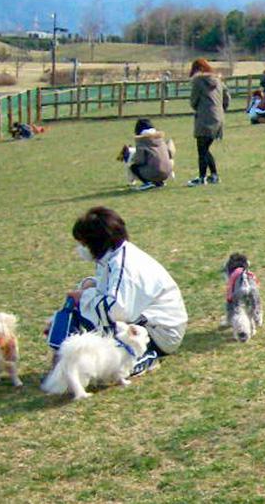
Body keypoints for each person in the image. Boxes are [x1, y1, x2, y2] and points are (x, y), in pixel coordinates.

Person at [48, 206, 188, 377]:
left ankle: (144, 358)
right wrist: (89, 285)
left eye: (83, 244)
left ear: (96, 242)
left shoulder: (124, 263)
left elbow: (116, 309)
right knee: (82, 313)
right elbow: (110, 287)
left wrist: (84, 297)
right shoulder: (113, 257)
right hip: (148, 321)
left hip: (160, 333)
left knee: (109, 361)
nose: (80, 249)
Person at [187, 58, 230, 187]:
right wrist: (221, 109)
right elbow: (227, 97)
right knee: (205, 149)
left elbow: (193, 101)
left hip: (205, 118)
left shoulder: (198, 81)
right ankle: (214, 175)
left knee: (202, 150)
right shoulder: (218, 81)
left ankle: (202, 178)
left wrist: (199, 108)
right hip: (218, 119)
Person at [128, 118, 174, 191]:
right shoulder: (160, 139)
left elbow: (140, 160)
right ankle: (159, 182)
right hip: (167, 171)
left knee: (134, 167)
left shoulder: (142, 142)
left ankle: (148, 183)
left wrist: (133, 158)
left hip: (154, 172)